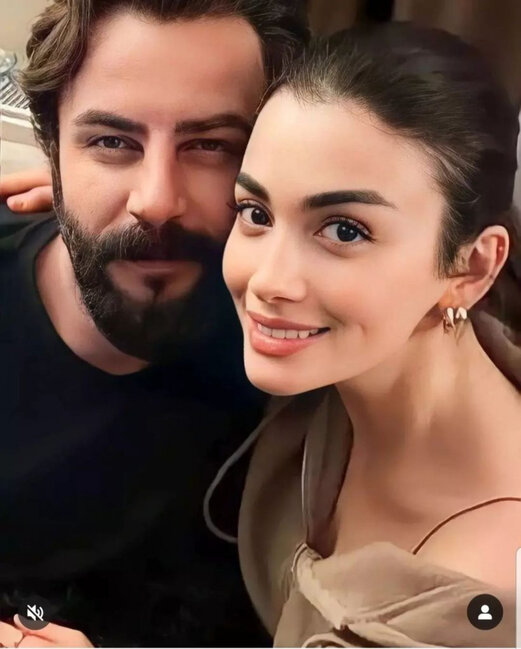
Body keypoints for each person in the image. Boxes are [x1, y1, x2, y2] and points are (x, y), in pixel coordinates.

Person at [0, 0, 307, 646]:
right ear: (53, 152)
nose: (157, 200)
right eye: (112, 143)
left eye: (210, 145)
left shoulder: (316, 349)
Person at [218, 23, 521, 646]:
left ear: (471, 268)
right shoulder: (343, 360)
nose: (268, 280)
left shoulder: (484, 601)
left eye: (344, 231)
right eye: (256, 214)